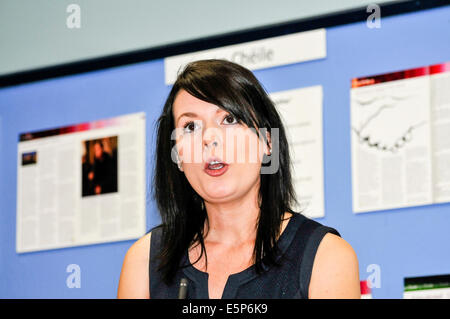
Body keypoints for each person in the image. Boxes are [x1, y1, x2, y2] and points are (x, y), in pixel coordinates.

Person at [117, 59, 360, 299]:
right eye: (190, 126)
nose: (209, 138)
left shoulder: (326, 257)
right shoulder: (144, 261)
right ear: (177, 156)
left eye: (229, 119)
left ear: (267, 143)